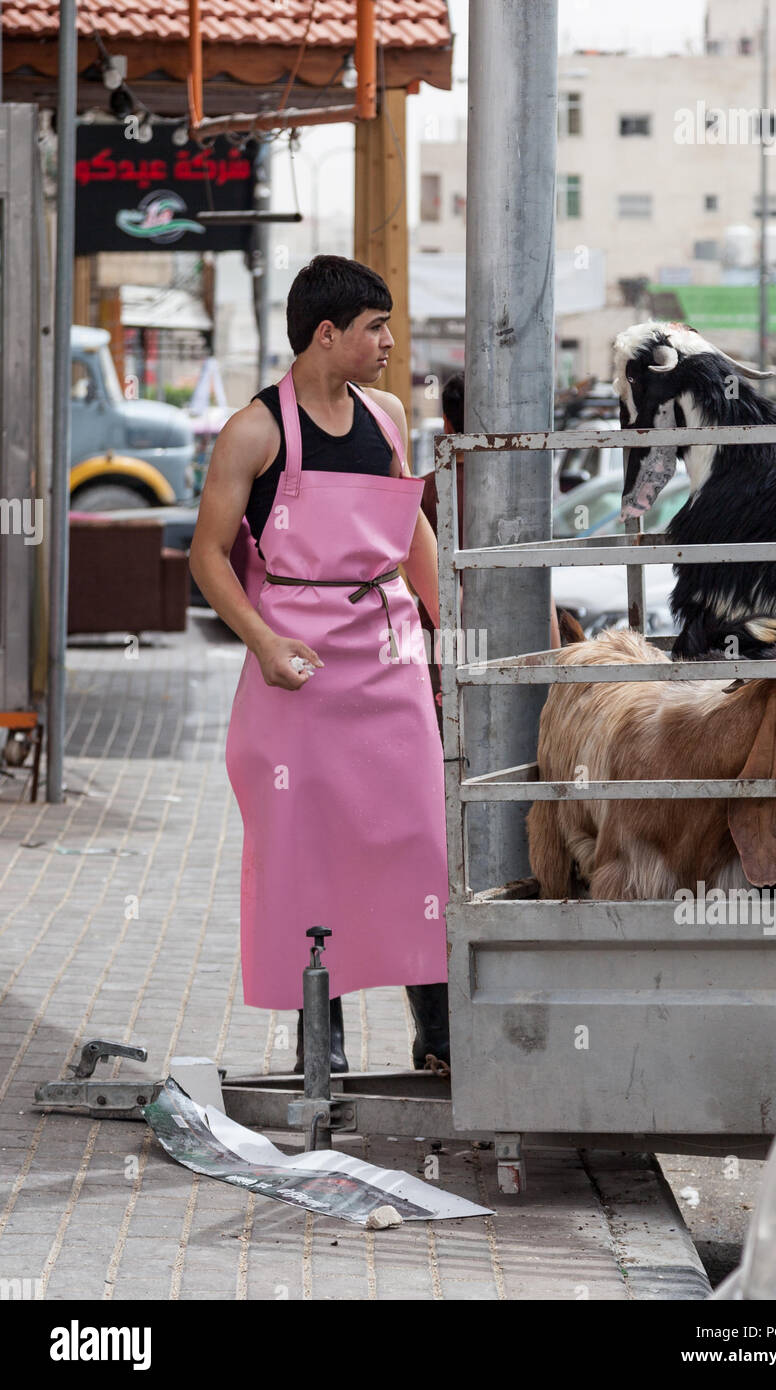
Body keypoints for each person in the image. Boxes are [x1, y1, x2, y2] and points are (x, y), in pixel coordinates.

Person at [189, 255, 450, 1074]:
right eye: (375, 327)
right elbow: (207, 557)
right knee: (306, 850)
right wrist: (263, 644)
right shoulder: (254, 431)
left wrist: (454, 633)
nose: (388, 341)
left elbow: (412, 537)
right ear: (327, 333)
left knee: (421, 842)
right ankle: (320, 1043)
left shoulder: (388, 417)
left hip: (386, 655)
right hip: (294, 670)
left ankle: (438, 1035)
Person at [418, 372, 562, 739]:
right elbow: (538, 579)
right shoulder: (524, 494)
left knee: (447, 752)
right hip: (516, 638)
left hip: (440, 646)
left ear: (448, 423)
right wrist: (555, 656)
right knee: (513, 745)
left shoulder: (426, 492)